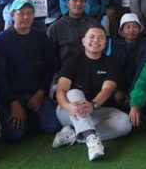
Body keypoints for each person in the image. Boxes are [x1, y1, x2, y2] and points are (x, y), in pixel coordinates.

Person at [52, 26, 131, 161]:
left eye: (101, 38)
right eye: (92, 37)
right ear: (83, 41)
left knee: (126, 124)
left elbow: (107, 89)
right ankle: (92, 140)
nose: (96, 40)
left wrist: (93, 105)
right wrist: (67, 106)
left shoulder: (111, 62)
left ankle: (74, 135)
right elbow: (61, 90)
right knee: (74, 93)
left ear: (106, 42)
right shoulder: (72, 61)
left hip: (96, 109)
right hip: (69, 112)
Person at [0, 0, 60, 143]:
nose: (25, 17)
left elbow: (51, 66)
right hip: (12, 97)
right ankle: (26, 117)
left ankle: (32, 117)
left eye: (29, 13)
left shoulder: (41, 37)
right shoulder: (0, 40)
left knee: (53, 126)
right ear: (12, 15)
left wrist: (41, 92)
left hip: (37, 94)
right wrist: (13, 102)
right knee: (13, 136)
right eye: (21, 13)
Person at [110, 13, 146, 108]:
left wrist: (133, 93)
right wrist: (116, 90)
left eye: (135, 27)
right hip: (120, 87)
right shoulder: (116, 46)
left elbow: (142, 71)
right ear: (122, 31)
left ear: (140, 30)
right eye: (128, 27)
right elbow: (112, 69)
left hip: (140, 87)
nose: (131, 30)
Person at [47, 0, 100, 69]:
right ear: (67, 3)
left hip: (91, 71)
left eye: (82, 1)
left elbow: (102, 49)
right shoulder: (55, 28)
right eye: (75, 0)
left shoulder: (94, 25)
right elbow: (50, 56)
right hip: (65, 73)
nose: (78, 4)